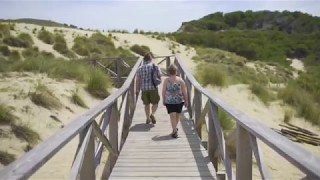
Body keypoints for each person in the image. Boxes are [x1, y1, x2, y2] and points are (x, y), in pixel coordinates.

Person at [162, 64, 188, 138]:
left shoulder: (167, 80)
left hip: (170, 101)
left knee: (173, 116)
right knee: (176, 115)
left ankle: (174, 129)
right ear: (176, 71)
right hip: (178, 101)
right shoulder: (180, 80)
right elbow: (185, 91)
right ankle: (175, 131)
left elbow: (163, 91)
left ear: (169, 72)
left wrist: (163, 99)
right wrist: (186, 101)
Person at [136, 53, 161, 124]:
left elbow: (138, 80)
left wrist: (137, 89)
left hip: (144, 88)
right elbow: (160, 75)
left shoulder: (140, 68)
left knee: (146, 104)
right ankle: (152, 114)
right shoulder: (154, 66)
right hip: (153, 87)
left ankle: (147, 119)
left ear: (144, 60)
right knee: (155, 102)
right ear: (151, 59)